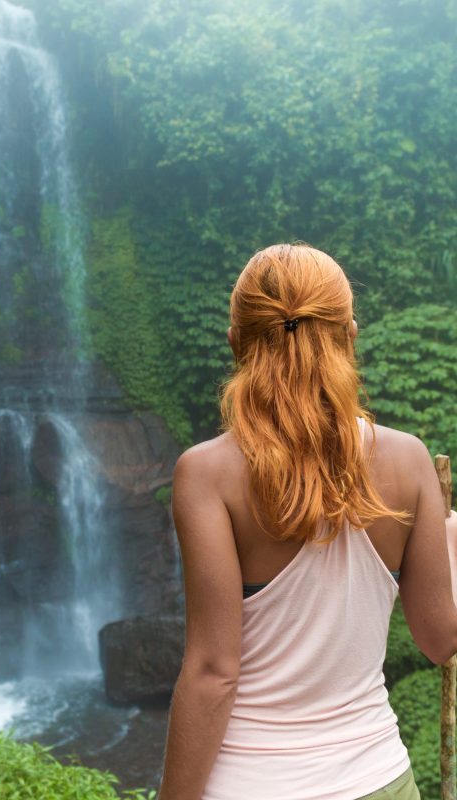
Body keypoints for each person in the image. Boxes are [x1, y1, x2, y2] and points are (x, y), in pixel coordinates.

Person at [156, 243, 457, 800]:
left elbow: (213, 673)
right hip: (379, 780)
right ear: (350, 334)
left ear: (235, 340)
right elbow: (441, 640)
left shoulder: (205, 474)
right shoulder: (410, 460)